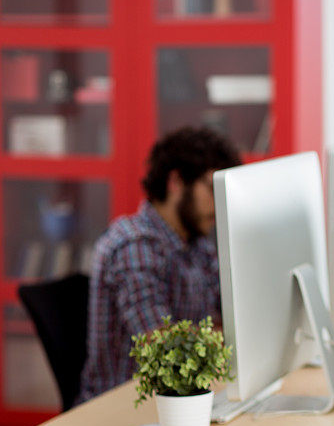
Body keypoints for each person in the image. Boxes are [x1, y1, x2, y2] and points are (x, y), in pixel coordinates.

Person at [78, 126, 241, 403]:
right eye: (212, 188)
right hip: (122, 407)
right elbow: (164, 345)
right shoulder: (134, 244)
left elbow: (224, 317)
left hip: (181, 397)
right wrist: (224, 333)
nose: (221, 203)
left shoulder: (197, 242)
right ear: (176, 182)